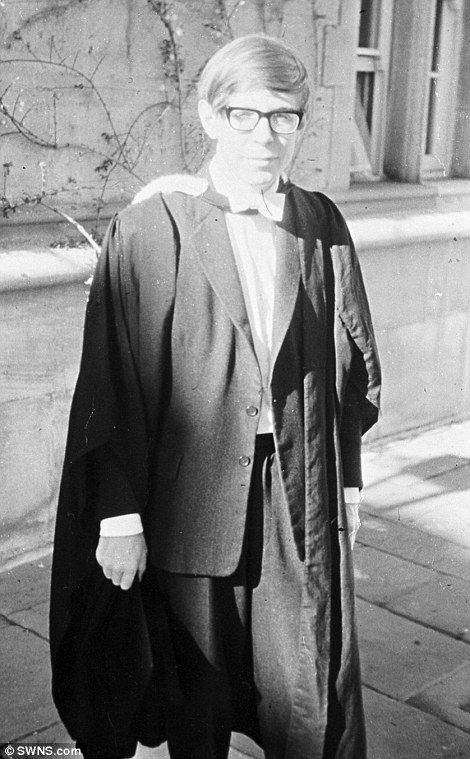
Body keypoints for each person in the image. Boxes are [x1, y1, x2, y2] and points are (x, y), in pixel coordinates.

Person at [50, 34, 381, 759]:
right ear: (208, 116)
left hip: (298, 495)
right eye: (244, 115)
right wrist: (118, 517)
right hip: (189, 500)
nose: (266, 135)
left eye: (284, 117)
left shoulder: (320, 225)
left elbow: (346, 369)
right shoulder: (149, 229)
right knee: (194, 697)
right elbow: (110, 383)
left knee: (307, 685)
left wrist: (348, 487)